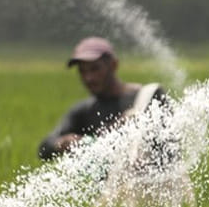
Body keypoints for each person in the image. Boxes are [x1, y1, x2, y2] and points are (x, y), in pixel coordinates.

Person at [37, 37, 167, 160]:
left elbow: (169, 149)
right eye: (82, 71)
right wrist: (63, 143)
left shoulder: (148, 97)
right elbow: (44, 148)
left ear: (113, 65)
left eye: (95, 69)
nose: (89, 78)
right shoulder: (84, 111)